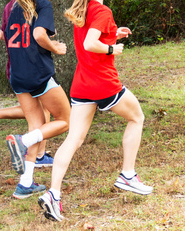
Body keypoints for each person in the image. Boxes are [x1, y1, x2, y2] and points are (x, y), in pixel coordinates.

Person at [38, 0, 153, 221]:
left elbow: (91, 36)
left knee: (73, 139)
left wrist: (112, 34)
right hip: (103, 82)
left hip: (82, 83)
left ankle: (53, 194)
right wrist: (113, 48)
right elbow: (90, 44)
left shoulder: (83, 9)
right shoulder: (101, 10)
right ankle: (128, 175)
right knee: (137, 117)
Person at [0, 0, 54, 169]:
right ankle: (38, 155)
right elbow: (38, 34)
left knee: (36, 111)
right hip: (32, 65)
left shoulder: (9, 6)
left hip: (15, 67)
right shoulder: (36, 3)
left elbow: (3, 35)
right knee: (43, 111)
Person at [2, 0, 71, 199]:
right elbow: (38, 35)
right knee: (65, 120)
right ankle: (23, 141)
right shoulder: (42, 4)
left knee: (37, 126)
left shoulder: (13, 6)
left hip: (17, 74)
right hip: (37, 74)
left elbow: (6, 36)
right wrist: (55, 48)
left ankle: (25, 183)